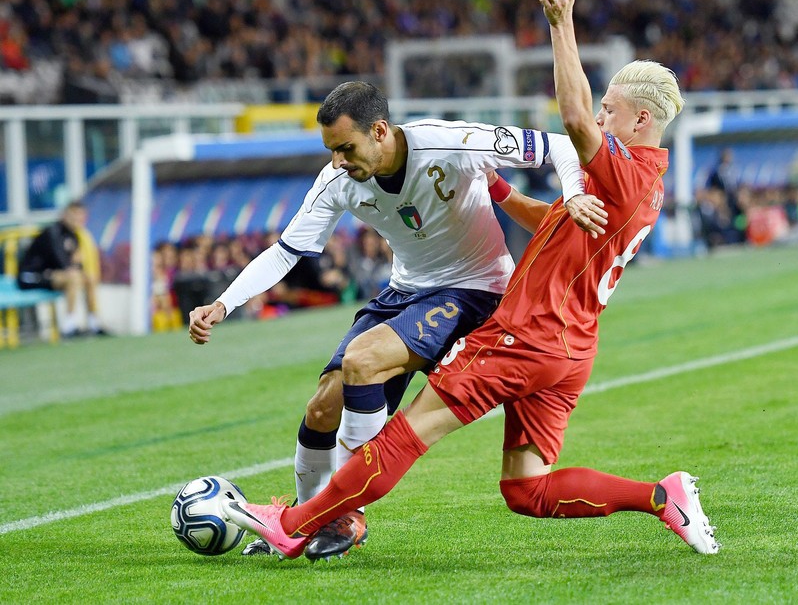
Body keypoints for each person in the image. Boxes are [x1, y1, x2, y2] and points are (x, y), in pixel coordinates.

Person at [221, 0, 720, 561]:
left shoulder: (626, 170)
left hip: (526, 333)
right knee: (527, 488)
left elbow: (574, 121)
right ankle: (662, 497)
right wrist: (501, 188)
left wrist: (563, 29)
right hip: (572, 346)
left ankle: (295, 523)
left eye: (611, 109)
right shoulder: (642, 187)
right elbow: (555, 224)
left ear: (639, 122)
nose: (601, 116)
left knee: (409, 432)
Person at [188, 80, 608, 559]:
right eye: (331, 151)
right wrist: (224, 303)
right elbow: (286, 250)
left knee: (363, 361)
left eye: (346, 148)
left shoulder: (452, 143)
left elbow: (557, 145)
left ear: (381, 130)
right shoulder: (337, 180)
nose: (338, 162)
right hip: (404, 290)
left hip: (476, 289)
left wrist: (574, 194)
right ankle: (307, 524)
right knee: (322, 407)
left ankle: (347, 513)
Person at [17, 200, 106, 337]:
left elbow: (74, 263)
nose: (78, 220)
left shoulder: (74, 235)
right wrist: (74, 267)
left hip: (52, 275)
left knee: (89, 277)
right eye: (74, 216)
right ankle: (68, 326)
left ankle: (94, 323)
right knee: (73, 278)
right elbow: (61, 261)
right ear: (65, 215)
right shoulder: (53, 232)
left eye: (80, 216)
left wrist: (78, 266)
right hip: (30, 277)